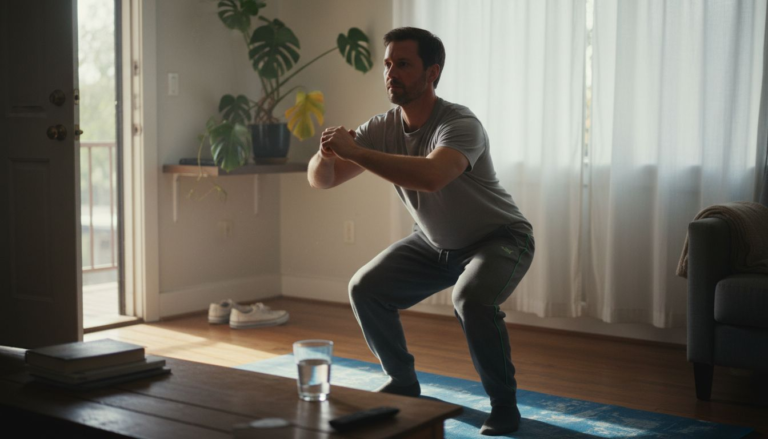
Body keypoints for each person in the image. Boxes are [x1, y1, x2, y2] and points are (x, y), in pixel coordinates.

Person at [307, 27, 534, 436]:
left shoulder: (460, 123)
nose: (391, 73)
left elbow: (432, 176)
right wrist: (325, 156)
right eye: (387, 64)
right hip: (433, 244)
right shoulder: (382, 127)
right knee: (365, 288)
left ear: (433, 73)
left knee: (472, 300)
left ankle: (504, 405)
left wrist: (355, 151)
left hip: (499, 239)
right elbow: (323, 180)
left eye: (403, 64)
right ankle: (402, 382)